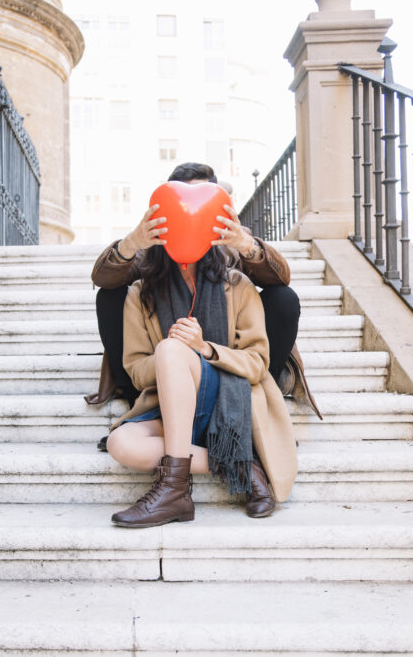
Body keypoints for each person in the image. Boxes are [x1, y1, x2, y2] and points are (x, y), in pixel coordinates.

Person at [87, 163, 321, 440]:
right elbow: (103, 278)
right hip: (163, 359)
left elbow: (280, 278)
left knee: (283, 299)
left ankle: (252, 401)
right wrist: (131, 243)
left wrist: (245, 244)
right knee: (110, 296)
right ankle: (140, 404)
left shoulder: (230, 238)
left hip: (227, 355)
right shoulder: (152, 245)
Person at [105, 240, 297, 524]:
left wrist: (203, 348)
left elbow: (258, 363)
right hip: (172, 407)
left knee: (171, 349)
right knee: (120, 444)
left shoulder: (238, 285)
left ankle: (173, 490)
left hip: (228, 400)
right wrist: (170, 356)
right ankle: (240, 464)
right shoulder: (141, 293)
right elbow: (135, 370)